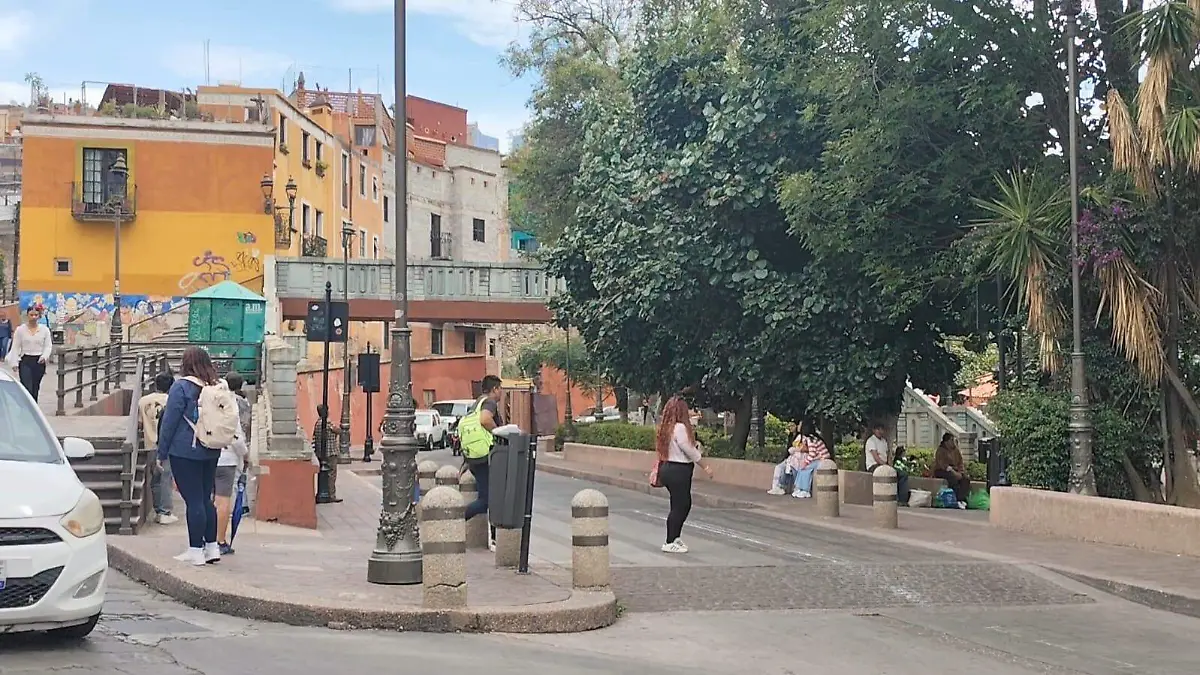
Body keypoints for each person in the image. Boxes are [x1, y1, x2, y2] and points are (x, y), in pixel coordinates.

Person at [157, 347, 223, 566]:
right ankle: (212, 547)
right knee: (206, 498)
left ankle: (195, 550)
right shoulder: (214, 386)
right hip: (211, 448)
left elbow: (170, 422)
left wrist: (161, 451)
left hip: (185, 450)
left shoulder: (181, 387)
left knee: (193, 501)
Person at [655, 395, 713, 554]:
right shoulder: (680, 428)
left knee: (677, 504)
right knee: (682, 505)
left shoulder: (666, 427)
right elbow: (688, 450)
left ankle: (675, 537)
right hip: (679, 470)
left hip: (668, 468)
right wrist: (705, 466)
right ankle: (669, 541)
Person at [458, 374, 503, 551]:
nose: (501, 393)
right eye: (500, 389)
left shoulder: (475, 404)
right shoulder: (489, 403)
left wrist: (465, 462)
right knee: (488, 499)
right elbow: (485, 420)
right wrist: (500, 432)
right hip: (486, 456)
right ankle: (455, 519)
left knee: (489, 497)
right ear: (494, 389)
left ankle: (492, 537)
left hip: (475, 457)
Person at [215, 372, 252, 555]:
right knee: (223, 502)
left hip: (209, 455)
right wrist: (246, 455)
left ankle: (206, 539)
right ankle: (220, 541)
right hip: (228, 458)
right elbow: (238, 436)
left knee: (209, 500)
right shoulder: (237, 405)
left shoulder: (209, 404)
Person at [140, 371, 178, 525]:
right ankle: (165, 511)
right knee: (166, 477)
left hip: (149, 443)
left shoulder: (143, 401)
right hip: (167, 444)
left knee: (155, 478)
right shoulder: (172, 401)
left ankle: (158, 510)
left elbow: (140, 423)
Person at [768, 421, 829, 498]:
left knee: (806, 469)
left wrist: (806, 462)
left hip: (823, 460)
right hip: (818, 459)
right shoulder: (808, 438)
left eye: (800, 425)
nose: (799, 426)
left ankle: (805, 490)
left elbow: (812, 453)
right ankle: (799, 489)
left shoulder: (811, 439)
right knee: (802, 469)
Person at [5, 304, 52, 401]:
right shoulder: (20, 330)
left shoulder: (44, 330)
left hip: (39, 361)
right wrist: (14, 362)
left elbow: (48, 345)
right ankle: (26, 408)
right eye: (31, 315)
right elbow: (16, 346)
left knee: (35, 387)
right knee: (27, 387)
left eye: (36, 315)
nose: (33, 317)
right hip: (25, 360)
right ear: (27, 315)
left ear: (39, 316)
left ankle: (34, 408)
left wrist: (44, 356)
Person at [865, 422, 910, 504]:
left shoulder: (884, 441)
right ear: (874, 430)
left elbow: (887, 455)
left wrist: (890, 465)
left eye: (881, 429)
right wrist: (886, 466)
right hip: (874, 466)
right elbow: (876, 457)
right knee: (890, 475)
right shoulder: (871, 441)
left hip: (884, 465)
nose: (880, 431)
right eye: (878, 429)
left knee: (902, 475)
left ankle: (902, 500)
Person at [934, 433, 971, 509]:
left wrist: (960, 472)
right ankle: (955, 499)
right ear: (946, 442)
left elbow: (960, 462)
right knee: (953, 479)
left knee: (965, 479)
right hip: (943, 470)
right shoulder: (940, 450)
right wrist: (954, 472)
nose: (953, 442)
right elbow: (943, 465)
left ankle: (961, 499)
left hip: (956, 470)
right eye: (951, 440)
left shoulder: (956, 450)